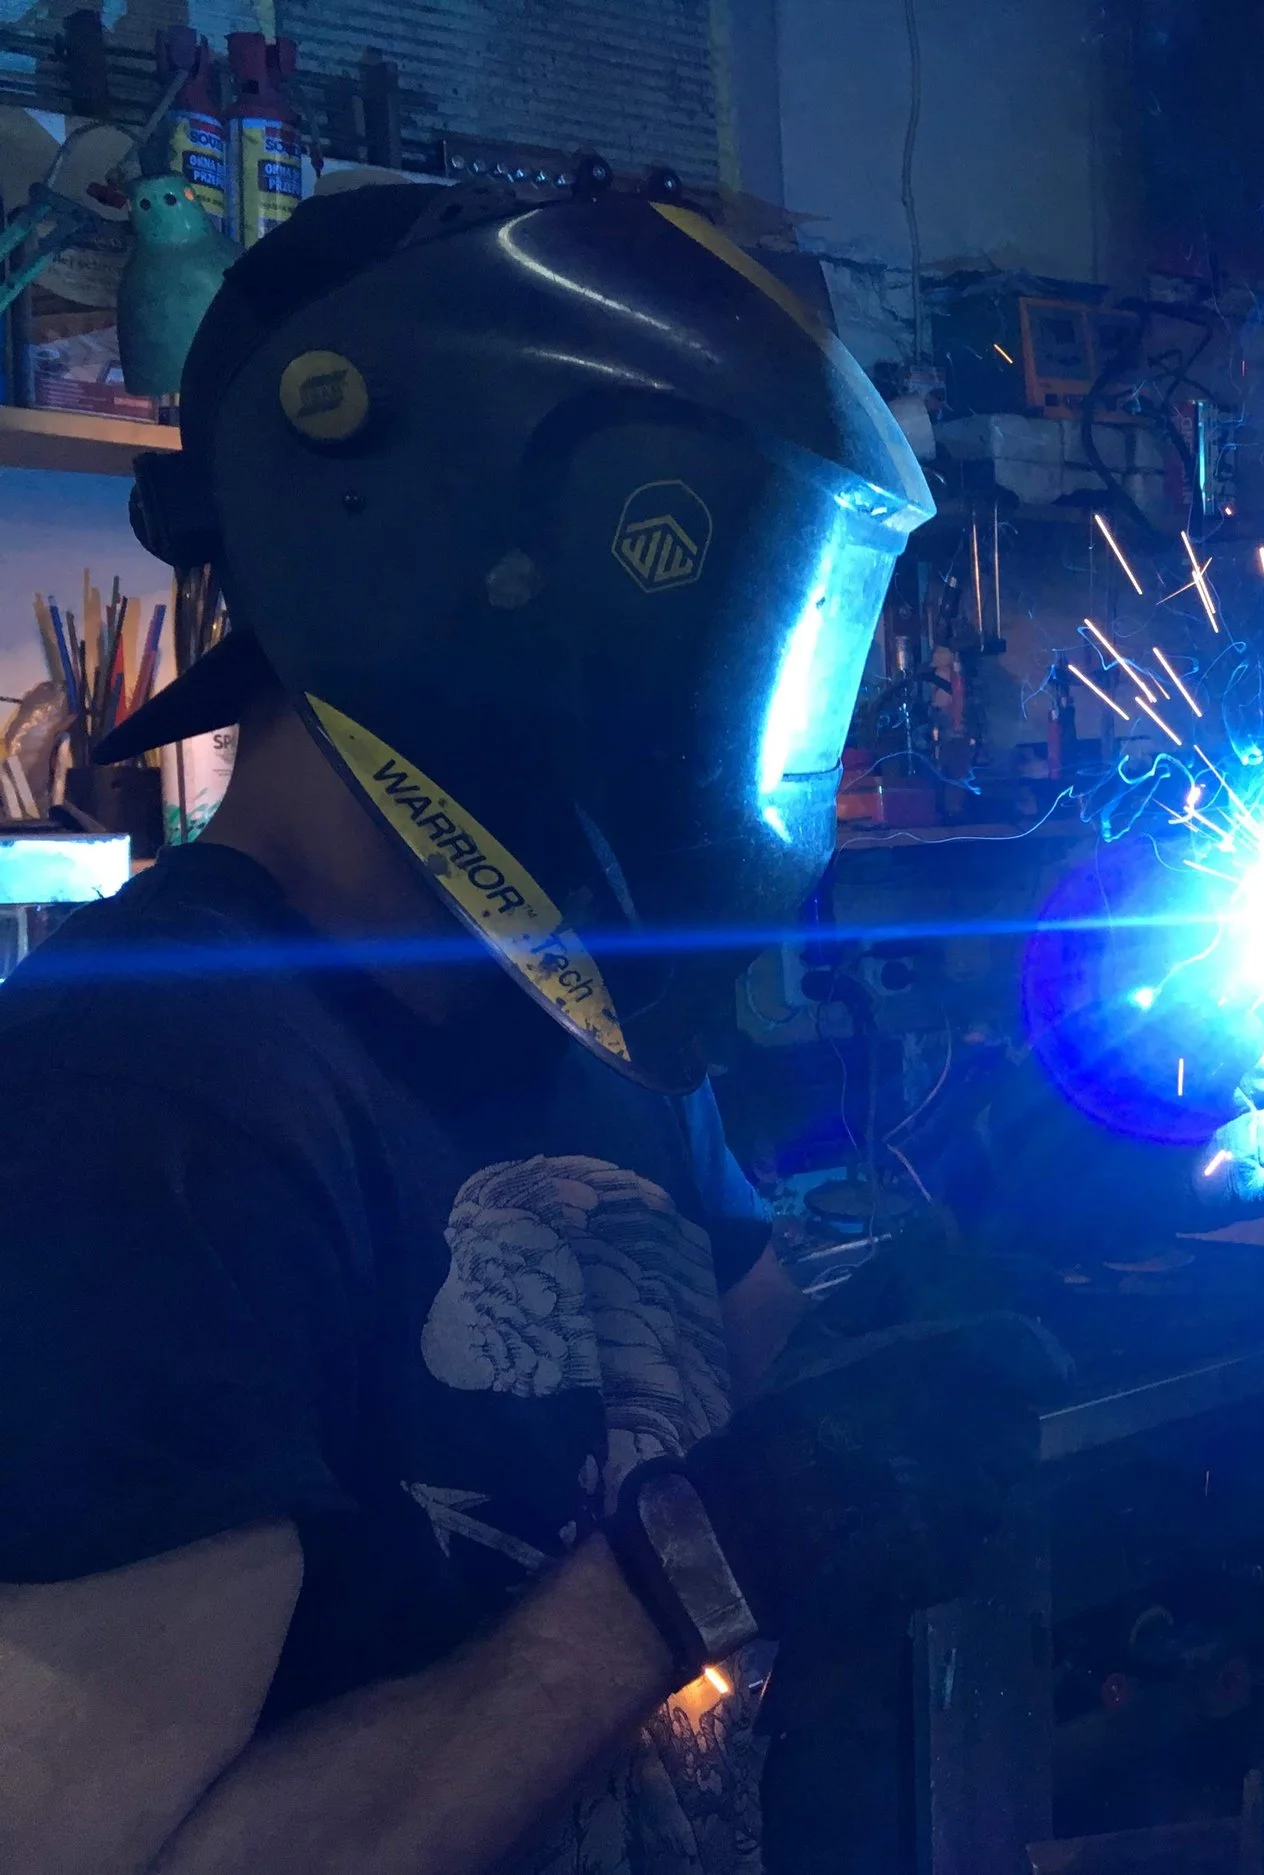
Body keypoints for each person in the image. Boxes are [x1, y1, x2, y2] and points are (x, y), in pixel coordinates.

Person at [0, 179, 1066, 1875]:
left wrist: (987, 1180)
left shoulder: (563, 1004)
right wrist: (679, 1582)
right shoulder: (144, 1099)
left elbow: (697, 1383)